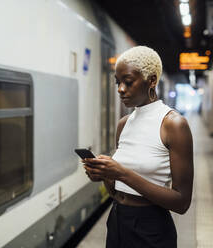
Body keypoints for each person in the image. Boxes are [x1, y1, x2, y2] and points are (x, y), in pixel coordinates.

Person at [83, 46, 194, 248]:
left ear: (151, 80)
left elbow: (181, 202)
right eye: (117, 82)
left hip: (151, 228)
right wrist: (105, 175)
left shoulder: (173, 125)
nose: (120, 89)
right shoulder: (124, 124)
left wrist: (122, 173)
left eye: (128, 82)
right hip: (117, 221)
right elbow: (116, 192)